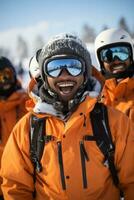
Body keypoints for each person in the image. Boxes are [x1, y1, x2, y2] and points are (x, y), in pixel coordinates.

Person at [1, 33, 134, 200]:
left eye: (74, 66)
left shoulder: (115, 122)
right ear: (44, 75)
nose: (64, 75)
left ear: (85, 73)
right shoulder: (26, 129)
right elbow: (15, 188)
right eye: (55, 68)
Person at [0, 56, 29, 199]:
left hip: (22, 180)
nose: (4, 81)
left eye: (7, 75)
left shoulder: (27, 102)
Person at [95, 28, 134, 121]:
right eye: (108, 57)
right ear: (100, 61)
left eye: (122, 53)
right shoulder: (93, 93)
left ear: (131, 55)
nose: (116, 60)